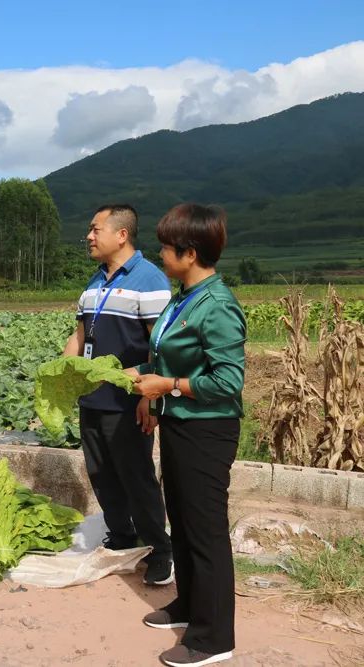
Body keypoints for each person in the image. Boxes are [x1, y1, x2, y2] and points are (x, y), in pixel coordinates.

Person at [130, 204, 246, 667]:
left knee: (206, 530)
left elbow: (227, 381)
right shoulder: (184, 298)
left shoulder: (217, 305)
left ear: (190, 251)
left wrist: (168, 387)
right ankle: (188, 606)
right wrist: (144, 385)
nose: (160, 254)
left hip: (208, 431)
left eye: (165, 247)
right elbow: (166, 360)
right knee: (181, 518)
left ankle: (214, 638)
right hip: (180, 425)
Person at [62, 204, 174, 586]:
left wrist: (150, 398)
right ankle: (122, 537)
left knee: (137, 476)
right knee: (101, 474)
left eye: (95, 230)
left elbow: (161, 346)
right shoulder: (94, 283)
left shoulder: (149, 280)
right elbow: (79, 337)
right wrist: (62, 375)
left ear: (121, 234)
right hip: (92, 398)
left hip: (128, 401)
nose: (89, 237)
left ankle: (160, 551)